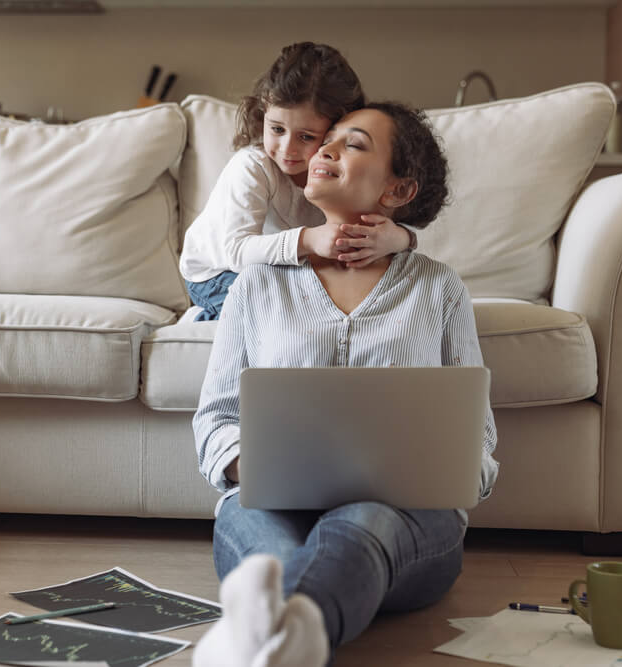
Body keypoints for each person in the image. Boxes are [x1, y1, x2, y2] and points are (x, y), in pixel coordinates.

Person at [190, 102, 500, 667]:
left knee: (360, 524)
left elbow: (478, 444)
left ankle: (269, 630)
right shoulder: (258, 282)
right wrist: (251, 467)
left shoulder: (439, 290)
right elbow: (215, 419)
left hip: (402, 519)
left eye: (353, 144)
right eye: (326, 139)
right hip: (271, 505)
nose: (323, 150)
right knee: (271, 551)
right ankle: (294, 633)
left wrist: (449, 475)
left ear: (398, 191)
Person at [179, 42, 416, 321]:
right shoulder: (253, 167)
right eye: (277, 129)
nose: (287, 149)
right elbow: (236, 251)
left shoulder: (338, 177)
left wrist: (400, 238)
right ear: (263, 114)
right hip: (216, 271)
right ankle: (202, 320)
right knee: (279, 315)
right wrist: (309, 239)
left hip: (276, 269)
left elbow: (378, 227)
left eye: (306, 137)